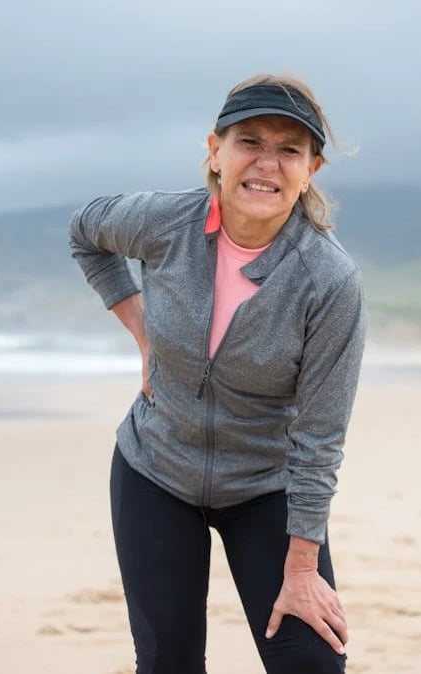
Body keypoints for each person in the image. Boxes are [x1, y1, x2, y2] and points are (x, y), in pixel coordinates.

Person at [69, 73, 366, 674]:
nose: (267, 163)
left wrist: (303, 568)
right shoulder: (164, 223)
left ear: (312, 169)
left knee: (311, 664)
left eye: (290, 150)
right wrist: (141, 327)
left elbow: (319, 438)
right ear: (215, 150)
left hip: (266, 488)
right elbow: (86, 231)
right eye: (249, 141)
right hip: (155, 470)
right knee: (168, 661)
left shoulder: (328, 282)